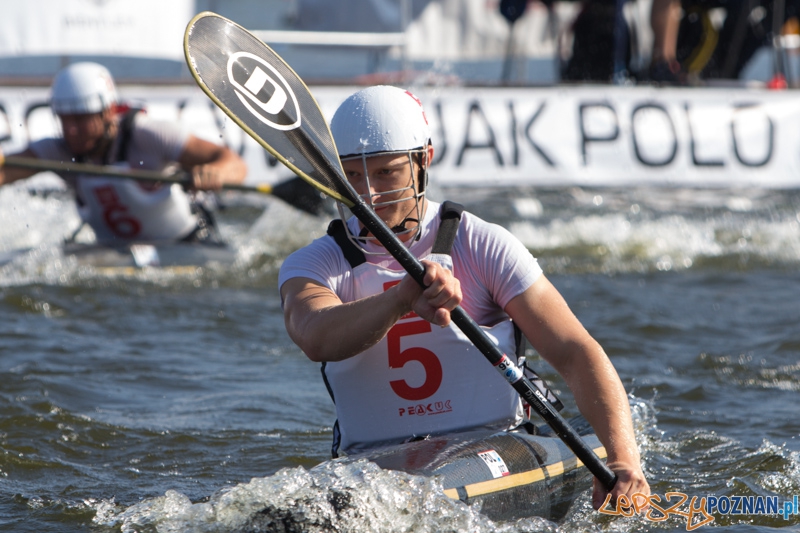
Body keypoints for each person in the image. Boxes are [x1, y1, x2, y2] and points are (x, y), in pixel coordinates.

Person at [278, 85, 649, 509]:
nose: (370, 195)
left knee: (425, 496)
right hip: (371, 463)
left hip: (492, 445)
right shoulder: (312, 264)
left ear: (424, 161)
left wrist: (624, 462)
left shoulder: (483, 245)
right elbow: (315, 335)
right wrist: (401, 298)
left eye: (385, 173)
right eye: (355, 176)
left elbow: (574, 352)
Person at [0, 62, 247, 245]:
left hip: (189, 242)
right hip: (114, 250)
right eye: (64, 120)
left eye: (80, 119)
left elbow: (234, 164)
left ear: (107, 112)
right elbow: (5, 173)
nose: (71, 130)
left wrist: (215, 172)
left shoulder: (148, 134)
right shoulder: (57, 150)